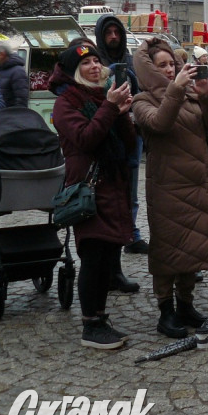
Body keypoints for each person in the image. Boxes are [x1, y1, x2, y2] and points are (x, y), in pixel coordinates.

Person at [132, 38, 208, 338]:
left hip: (197, 183)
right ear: (149, 70)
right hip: (167, 186)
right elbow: (159, 124)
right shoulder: (142, 100)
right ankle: (166, 311)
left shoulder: (189, 94)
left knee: (192, 245)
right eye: (162, 65)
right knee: (167, 249)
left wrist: (206, 94)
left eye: (172, 64)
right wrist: (174, 90)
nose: (170, 70)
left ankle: (186, 304)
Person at [51, 41, 136, 349]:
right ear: (74, 70)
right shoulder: (66, 103)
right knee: (93, 255)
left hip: (112, 183)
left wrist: (123, 113)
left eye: (97, 61)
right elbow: (86, 139)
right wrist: (111, 107)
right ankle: (90, 325)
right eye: (86, 63)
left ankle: (100, 317)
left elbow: (127, 144)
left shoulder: (102, 96)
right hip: (87, 187)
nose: (94, 67)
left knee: (108, 255)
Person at [95, 14, 147, 269]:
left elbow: (140, 91)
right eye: (108, 33)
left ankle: (132, 234)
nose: (113, 37)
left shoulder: (129, 61)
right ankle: (115, 238)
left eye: (117, 32)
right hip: (105, 134)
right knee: (110, 189)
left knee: (132, 188)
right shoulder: (95, 62)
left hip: (131, 132)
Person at [0, 41, 29, 107]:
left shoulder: (18, 71)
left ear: (2, 54)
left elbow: (21, 99)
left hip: (11, 115)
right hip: (1, 114)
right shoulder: (0, 70)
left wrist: (16, 115)